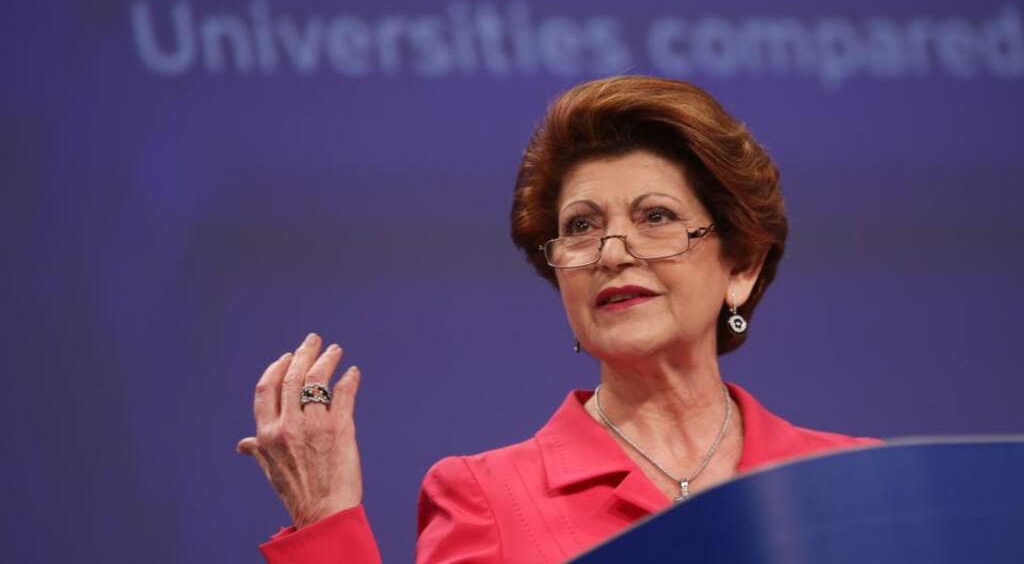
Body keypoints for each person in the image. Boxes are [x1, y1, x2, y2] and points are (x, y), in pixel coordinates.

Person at [237, 75, 880, 563]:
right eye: (581, 227)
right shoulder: (485, 498)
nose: (613, 252)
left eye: (655, 217)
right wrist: (326, 519)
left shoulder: (858, 483)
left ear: (740, 268)